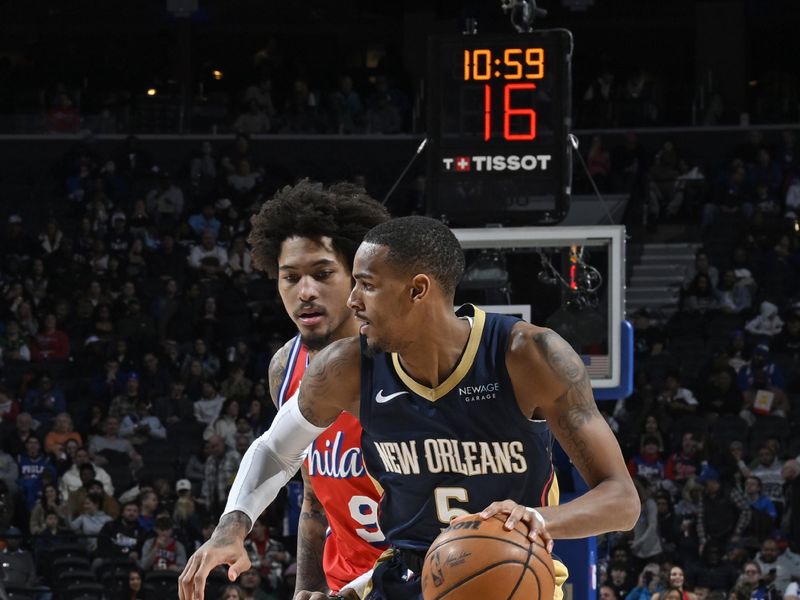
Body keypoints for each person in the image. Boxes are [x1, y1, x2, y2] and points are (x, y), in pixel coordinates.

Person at [179, 216, 640, 600]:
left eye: (366, 286)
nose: (353, 301)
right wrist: (232, 527)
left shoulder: (528, 355)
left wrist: (538, 520)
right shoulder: (347, 368)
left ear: (418, 290)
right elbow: (276, 450)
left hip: (510, 577)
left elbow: (622, 501)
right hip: (405, 577)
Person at [222, 180, 391, 597]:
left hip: (420, 580)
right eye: (290, 277)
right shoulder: (285, 367)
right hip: (341, 585)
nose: (306, 291)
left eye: (322, 273)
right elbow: (315, 499)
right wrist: (307, 586)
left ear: (358, 276)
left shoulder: (406, 363)